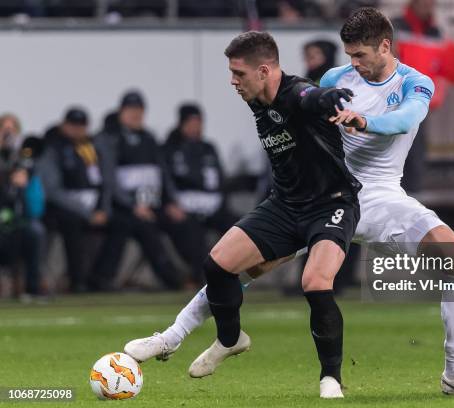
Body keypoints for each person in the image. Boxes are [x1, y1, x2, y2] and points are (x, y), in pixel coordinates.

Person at [125, 9, 454, 396]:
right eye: (349, 55)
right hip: (326, 195)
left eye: (360, 55)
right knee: (242, 268)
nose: (352, 64)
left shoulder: (414, 82)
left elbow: (406, 120)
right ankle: (172, 336)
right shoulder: (336, 79)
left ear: (385, 46)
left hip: (384, 196)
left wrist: (363, 121)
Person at [128, 31, 361, 398]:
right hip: (284, 205)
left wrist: (326, 97)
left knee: (315, 283)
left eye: (238, 73)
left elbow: (308, 98)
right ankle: (230, 338)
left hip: (330, 204)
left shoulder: (297, 93)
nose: (232, 81)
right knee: (218, 264)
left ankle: (330, 377)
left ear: (265, 70)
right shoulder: (257, 97)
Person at [90, 91, 185, 291]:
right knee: (139, 226)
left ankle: (204, 274)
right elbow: (110, 181)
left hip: (153, 204)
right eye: (131, 110)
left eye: (139, 110)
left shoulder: (149, 139)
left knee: (185, 223)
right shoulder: (109, 139)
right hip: (123, 207)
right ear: (121, 112)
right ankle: (172, 280)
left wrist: (171, 202)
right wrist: (134, 206)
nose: (136, 115)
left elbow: (163, 174)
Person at [162, 103, 238, 284]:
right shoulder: (170, 149)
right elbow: (165, 181)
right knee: (193, 234)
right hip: (185, 208)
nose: (196, 127)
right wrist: (169, 203)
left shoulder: (208, 147)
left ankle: (239, 272)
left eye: (199, 122)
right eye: (192, 122)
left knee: (238, 226)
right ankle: (205, 278)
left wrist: (221, 202)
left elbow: (220, 180)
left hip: (212, 206)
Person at [39, 108, 110, 292]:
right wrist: (87, 213)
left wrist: (103, 209)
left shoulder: (91, 148)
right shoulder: (53, 147)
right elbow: (53, 191)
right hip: (62, 208)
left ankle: (100, 279)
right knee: (72, 223)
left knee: (121, 223)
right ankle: (77, 281)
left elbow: (104, 182)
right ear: (64, 125)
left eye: (82, 126)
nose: (78, 130)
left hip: (92, 208)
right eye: (73, 125)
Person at [393, 0, 448, 193]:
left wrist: (436, 98)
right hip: (393, 104)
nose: (426, 6)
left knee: (416, 154)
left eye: (430, 3)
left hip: (418, 105)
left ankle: (412, 202)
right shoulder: (394, 27)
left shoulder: (436, 33)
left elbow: (441, 70)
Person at [0, 114, 45, 299]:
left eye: (12, 130)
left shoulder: (23, 164)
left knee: (35, 231)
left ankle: (31, 289)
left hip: (16, 219)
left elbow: (35, 207)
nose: (8, 135)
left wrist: (24, 183)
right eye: (4, 130)